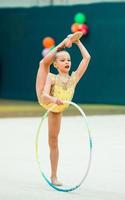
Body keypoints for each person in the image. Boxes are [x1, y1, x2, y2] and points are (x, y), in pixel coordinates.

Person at [36, 32, 91, 186]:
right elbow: (44, 94)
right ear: (56, 64)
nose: (67, 62)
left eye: (69, 60)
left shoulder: (74, 78)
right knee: (42, 64)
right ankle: (63, 43)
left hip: (56, 109)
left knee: (53, 142)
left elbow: (87, 58)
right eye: (62, 60)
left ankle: (54, 176)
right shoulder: (51, 77)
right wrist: (54, 99)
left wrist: (78, 42)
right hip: (46, 99)